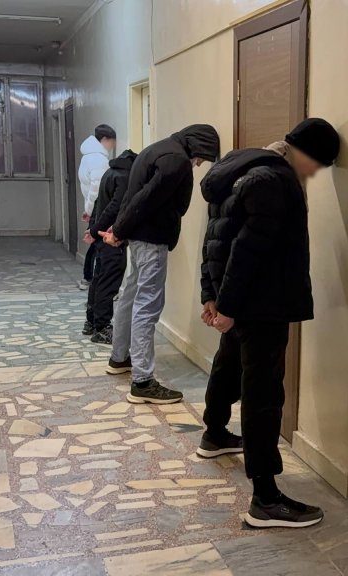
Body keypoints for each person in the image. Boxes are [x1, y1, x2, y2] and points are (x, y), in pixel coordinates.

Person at [197, 118, 340, 529]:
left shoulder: (238, 170)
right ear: (305, 152)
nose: (315, 174)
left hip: (240, 300)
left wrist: (211, 295)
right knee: (263, 394)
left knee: (228, 364)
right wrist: (226, 305)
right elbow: (248, 250)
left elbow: (214, 239)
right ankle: (266, 498)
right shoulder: (275, 181)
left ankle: (215, 434)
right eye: (318, 165)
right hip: (263, 303)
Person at [100, 124, 221, 404]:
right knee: (148, 305)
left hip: (139, 237)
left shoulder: (156, 149)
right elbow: (146, 199)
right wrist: (119, 230)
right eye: (201, 158)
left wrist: (120, 229)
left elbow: (134, 196)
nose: (198, 164)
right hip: (152, 239)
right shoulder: (176, 160)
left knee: (131, 296)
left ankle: (119, 358)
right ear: (197, 146)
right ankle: (142, 382)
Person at [85, 148, 138, 344]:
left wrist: (93, 229)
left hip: (101, 236)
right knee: (108, 283)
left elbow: (99, 203)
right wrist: (98, 231)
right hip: (111, 237)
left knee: (99, 279)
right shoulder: (125, 177)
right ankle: (102, 327)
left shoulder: (110, 172)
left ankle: (91, 322)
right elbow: (115, 207)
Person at [77, 124, 116, 296]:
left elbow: (88, 188)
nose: (113, 146)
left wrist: (88, 209)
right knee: (98, 245)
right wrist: (91, 210)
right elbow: (97, 189)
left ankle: (88, 278)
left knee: (94, 244)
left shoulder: (87, 157)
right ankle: (91, 280)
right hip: (99, 208)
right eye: (112, 142)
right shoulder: (99, 160)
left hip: (93, 208)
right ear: (105, 139)